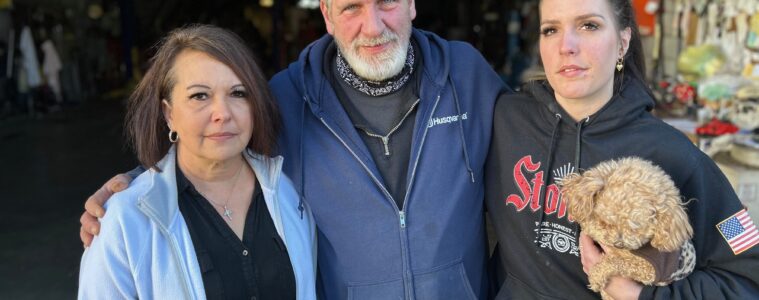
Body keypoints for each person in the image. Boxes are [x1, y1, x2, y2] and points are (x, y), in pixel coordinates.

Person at [81, 1, 508, 299]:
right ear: (327, 14)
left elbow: (532, 142)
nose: (374, 26)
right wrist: (137, 183)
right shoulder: (289, 97)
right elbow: (220, 139)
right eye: (351, 8)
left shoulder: (466, 74)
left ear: (412, 4)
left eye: (387, 2)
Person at [484, 0, 759, 299]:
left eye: (589, 25)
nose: (566, 46)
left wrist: (638, 296)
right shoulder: (502, 120)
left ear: (622, 42)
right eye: (551, 29)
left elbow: (746, 277)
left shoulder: (677, 155)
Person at [78, 25, 317, 299]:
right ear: (169, 114)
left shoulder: (290, 193)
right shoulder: (124, 220)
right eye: (200, 96)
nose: (222, 113)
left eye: (238, 93)